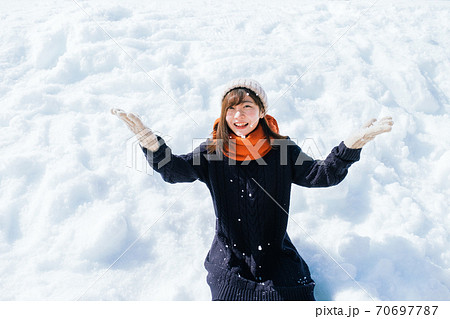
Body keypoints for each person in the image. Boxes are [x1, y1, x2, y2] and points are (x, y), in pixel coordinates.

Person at [111, 79, 393, 301]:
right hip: (230, 257)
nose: (239, 115)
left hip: (276, 254)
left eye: (247, 106)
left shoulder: (281, 150)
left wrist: (349, 148)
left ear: (261, 111)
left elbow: (321, 175)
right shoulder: (212, 151)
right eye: (231, 109)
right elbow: (175, 171)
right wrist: (152, 144)